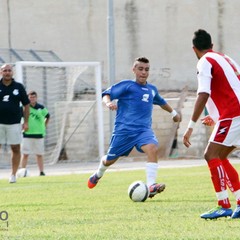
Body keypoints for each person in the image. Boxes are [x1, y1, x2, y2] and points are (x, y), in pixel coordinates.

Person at [88, 57, 181, 198]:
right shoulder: (127, 86)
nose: (143, 72)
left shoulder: (151, 90)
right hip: (124, 131)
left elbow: (161, 102)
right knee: (109, 160)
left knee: (152, 148)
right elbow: (107, 94)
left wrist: (174, 113)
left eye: (146, 69)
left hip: (143, 130)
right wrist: (108, 103)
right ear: (134, 70)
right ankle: (98, 173)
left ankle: (151, 185)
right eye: (140, 69)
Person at [183, 29, 240, 219]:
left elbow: (203, 93)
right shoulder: (226, 58)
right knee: (221, 156)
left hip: (233, 114)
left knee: (210, 154)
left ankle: (223, 205)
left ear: (194, 49)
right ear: (212, 46)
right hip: (233, 114)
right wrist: (217, 116)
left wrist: (190, 126)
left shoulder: (204, 61)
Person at [0, 64, 30, 183]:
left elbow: (26, 105)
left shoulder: (19, 87)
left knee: (16, 148)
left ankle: (13, 174)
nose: (7, 72)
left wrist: (26, 122)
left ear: (12, 72)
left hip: (14, 123)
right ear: (1, 72)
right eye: (4, 70)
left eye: (9, 70)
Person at [20, 91, 50, 176]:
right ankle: (23, 171)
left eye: (34, 97)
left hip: (39, 135)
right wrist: (23, 124)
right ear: (28, 98)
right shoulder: (25, 108)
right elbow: (20, 117)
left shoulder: (41, 108)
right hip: (27, 134)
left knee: (39, 154)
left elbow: (48, 116)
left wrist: (44, 126)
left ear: (36, 98)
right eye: (30, 97)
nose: (32, 99)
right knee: (25, 154)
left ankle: (41, 171)